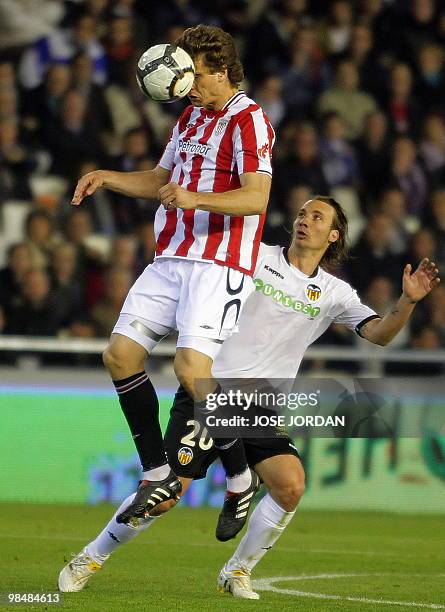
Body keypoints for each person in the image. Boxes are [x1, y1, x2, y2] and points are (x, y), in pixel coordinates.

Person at [59, 196, 440, 598]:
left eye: (316, 217)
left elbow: (379, 334)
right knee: (165, 497)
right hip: (208, 392)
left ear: (333, 235)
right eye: (301, 213)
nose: (304, 220)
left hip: (260, 409)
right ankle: (91, 556)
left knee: (290, 485)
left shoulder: (335, 293)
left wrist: (407, 302)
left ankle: (236, 571)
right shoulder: (254, 257)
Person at [70, 25, 275, 525]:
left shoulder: (249, 121)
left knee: (190, 370)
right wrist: (108, 177)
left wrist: (196, 197)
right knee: (119, 356)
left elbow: (257, 198)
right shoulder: (189, 117)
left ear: (221, 71)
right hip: (170, 258)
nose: (184, 85)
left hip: (218, 262)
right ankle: (157, 472)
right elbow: (162, 180)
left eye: (194, 75)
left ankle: (242, 477)